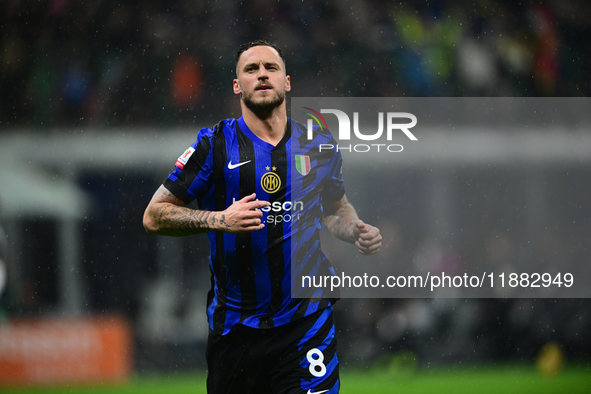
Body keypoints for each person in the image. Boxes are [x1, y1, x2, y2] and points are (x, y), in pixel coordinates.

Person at [143, 40, 382, 394]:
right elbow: (154, 215)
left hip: (306, 321)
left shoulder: (318, 145)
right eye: (251, 69)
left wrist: (355, 230)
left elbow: (335, 208)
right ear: (237, 86)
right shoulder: (215, 145)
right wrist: (220, 219)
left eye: (271, 68)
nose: (262, 75)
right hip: (237, 332)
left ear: (287, 82)